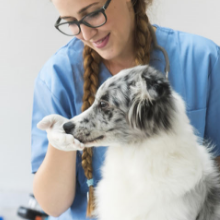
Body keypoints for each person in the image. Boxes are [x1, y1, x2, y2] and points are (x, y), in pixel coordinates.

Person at [31, 0, 220, 219]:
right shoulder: (57, 77)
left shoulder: (203, 60)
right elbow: (52, 206)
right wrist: (62, 142)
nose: (86, 33)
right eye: (71, 22)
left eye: (93, 13)